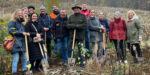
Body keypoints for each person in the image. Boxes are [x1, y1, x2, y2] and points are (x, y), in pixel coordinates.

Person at [8, 9, 28, 75]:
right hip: (16, 42)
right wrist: (22, 33)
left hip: (23, 42)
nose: (20, 14)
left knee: (25, 58)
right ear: (16, 14)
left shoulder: (23, 22)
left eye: (21, 13)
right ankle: (14, 72)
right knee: (15, 59)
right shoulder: (12, 22)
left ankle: (24, 71)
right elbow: (11, 31)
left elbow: (26, 31)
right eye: (19, 13)